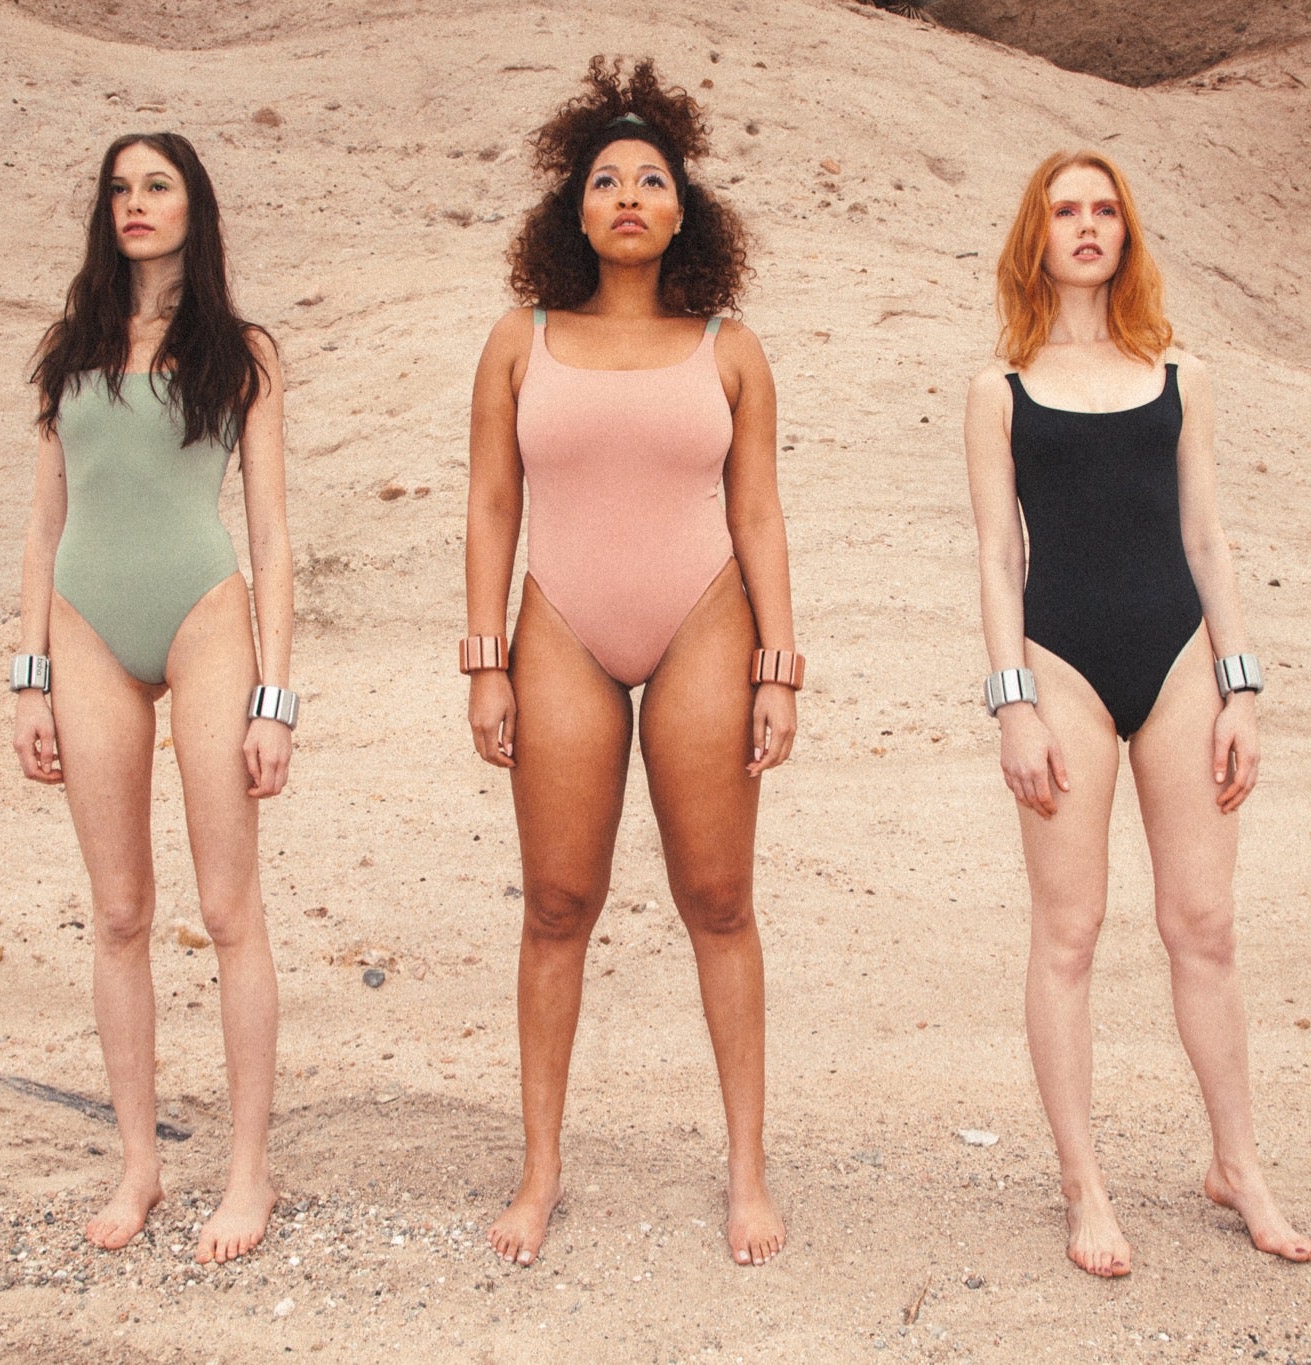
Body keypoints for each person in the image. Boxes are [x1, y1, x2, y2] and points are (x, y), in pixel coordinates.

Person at [462, 57, 799, 1269]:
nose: (627, 197)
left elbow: (756, 515)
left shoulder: (729, 347)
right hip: (558, 623)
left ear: (681, 212)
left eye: (651, 181)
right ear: (573, 210)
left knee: (717, 900)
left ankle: (746, 1171)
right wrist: (485, 659)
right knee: (556, 905)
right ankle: (538, 1170)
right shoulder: (519, 339)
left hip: (704, 617)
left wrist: (777, 663)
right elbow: (491, 506)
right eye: (604, 180)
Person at [963, 150, 1311, 1277]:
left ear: (1125, 232)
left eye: (1103, 210)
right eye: (1063, 210)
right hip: (1058, 663)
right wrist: (1011, 703)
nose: (1084, 226)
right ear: (1036, 233)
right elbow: (995, 557)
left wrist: (1239, 685)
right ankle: (1083, 1187)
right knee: (1067, 935)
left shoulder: (1177, 374)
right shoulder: (997, 389)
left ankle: (1236, 1165)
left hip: (1177, 664)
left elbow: (1206, 540)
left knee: (1200, 927)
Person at [11, 131, 294, 1265]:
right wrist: (25, 676)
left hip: (205, 618)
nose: (135, 203)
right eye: (119, 187)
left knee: (228, 910)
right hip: (81, 629)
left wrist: (277, 695)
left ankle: (247, 1175)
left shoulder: (243, 351)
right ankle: (138, 1163)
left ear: (195, 208)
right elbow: (42, 525)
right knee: (120, 912)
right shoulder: (69, 349)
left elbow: (271, 537)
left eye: (157, 186)